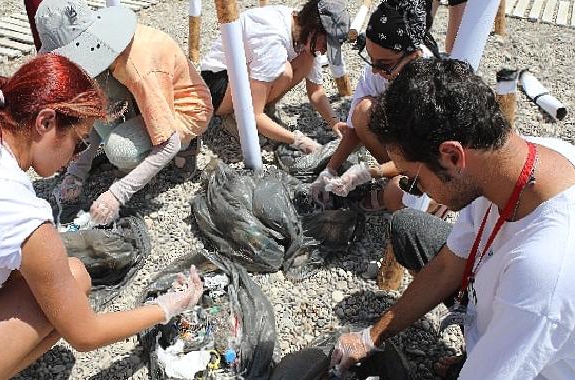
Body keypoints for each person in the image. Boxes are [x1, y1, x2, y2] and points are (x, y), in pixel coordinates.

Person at [0, 54, 204, 380]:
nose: (74, 157)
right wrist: (169, 307)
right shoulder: (20, 214)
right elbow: (85, 335)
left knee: (66, 274)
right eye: (78, 144)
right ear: (45, 122)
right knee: (71, 286)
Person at [330, 57, 575, 379]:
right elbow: (449, 264)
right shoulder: (504, 163)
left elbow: (534, 287)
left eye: (413, 180)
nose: (419, 194)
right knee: (409, 226)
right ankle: (482, 347)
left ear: (452, 155)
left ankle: (484, 353)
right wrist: (372, 336)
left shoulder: (544, 268)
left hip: (542, 363)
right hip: (517, 303)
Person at [35, 0, 214, 225]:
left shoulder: (139, 68)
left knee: (120, 151)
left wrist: (118, 193)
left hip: (185, 110)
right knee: (94, 96)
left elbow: (169, 143)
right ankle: (142, 148)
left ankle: (189, 144)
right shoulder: (106, 55)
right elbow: (93, 117)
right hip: (146, 98)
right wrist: (76, 171)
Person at [311, 0, 439, 212]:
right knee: (363, 111)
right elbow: (355, 125)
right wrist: (330, 169)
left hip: (432, 166)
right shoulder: (379, 67)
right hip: (404, 151)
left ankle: (403, 187)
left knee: (399, 197)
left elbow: (424, 162)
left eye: (384, 64)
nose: (374, 71)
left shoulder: (431, 86)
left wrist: (369, 172)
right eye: (371, 59)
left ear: (414, 57)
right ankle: (393, 173)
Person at [200, 0, 350, 154]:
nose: (324, 51)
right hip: (216, 85)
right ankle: (237, 120)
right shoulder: (273, 37)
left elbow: (316, 92)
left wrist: (335, 122)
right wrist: (299, 141)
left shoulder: (302, 30)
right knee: (284, 71)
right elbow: (255, 114)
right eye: (325, 44)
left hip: (242, 75)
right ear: (313, 28)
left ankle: (261, 117)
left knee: (306, 60)